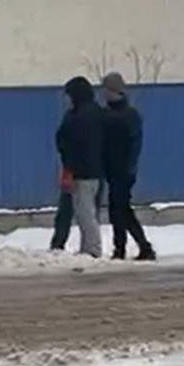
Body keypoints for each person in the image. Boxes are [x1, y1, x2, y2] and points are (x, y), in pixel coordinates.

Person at [102, 72, 156, 261]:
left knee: (121, 210)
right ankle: (127, 247)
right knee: (118, 210)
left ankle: (136, 247)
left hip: (123, 171)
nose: (104, 94)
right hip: (113, 169)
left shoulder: (128, 115)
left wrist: (129, 166)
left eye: (106, 90)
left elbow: (134, 143)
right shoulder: (109, 114)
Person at [56, 76, 105, 258]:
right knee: (87, 212)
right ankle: (88, 247)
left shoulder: (78, 117)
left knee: (85, 213)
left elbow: (71, 143)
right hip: (94, 170)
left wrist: (70, 167)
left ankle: (92, 249)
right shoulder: (96, 112)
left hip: (83, 171)